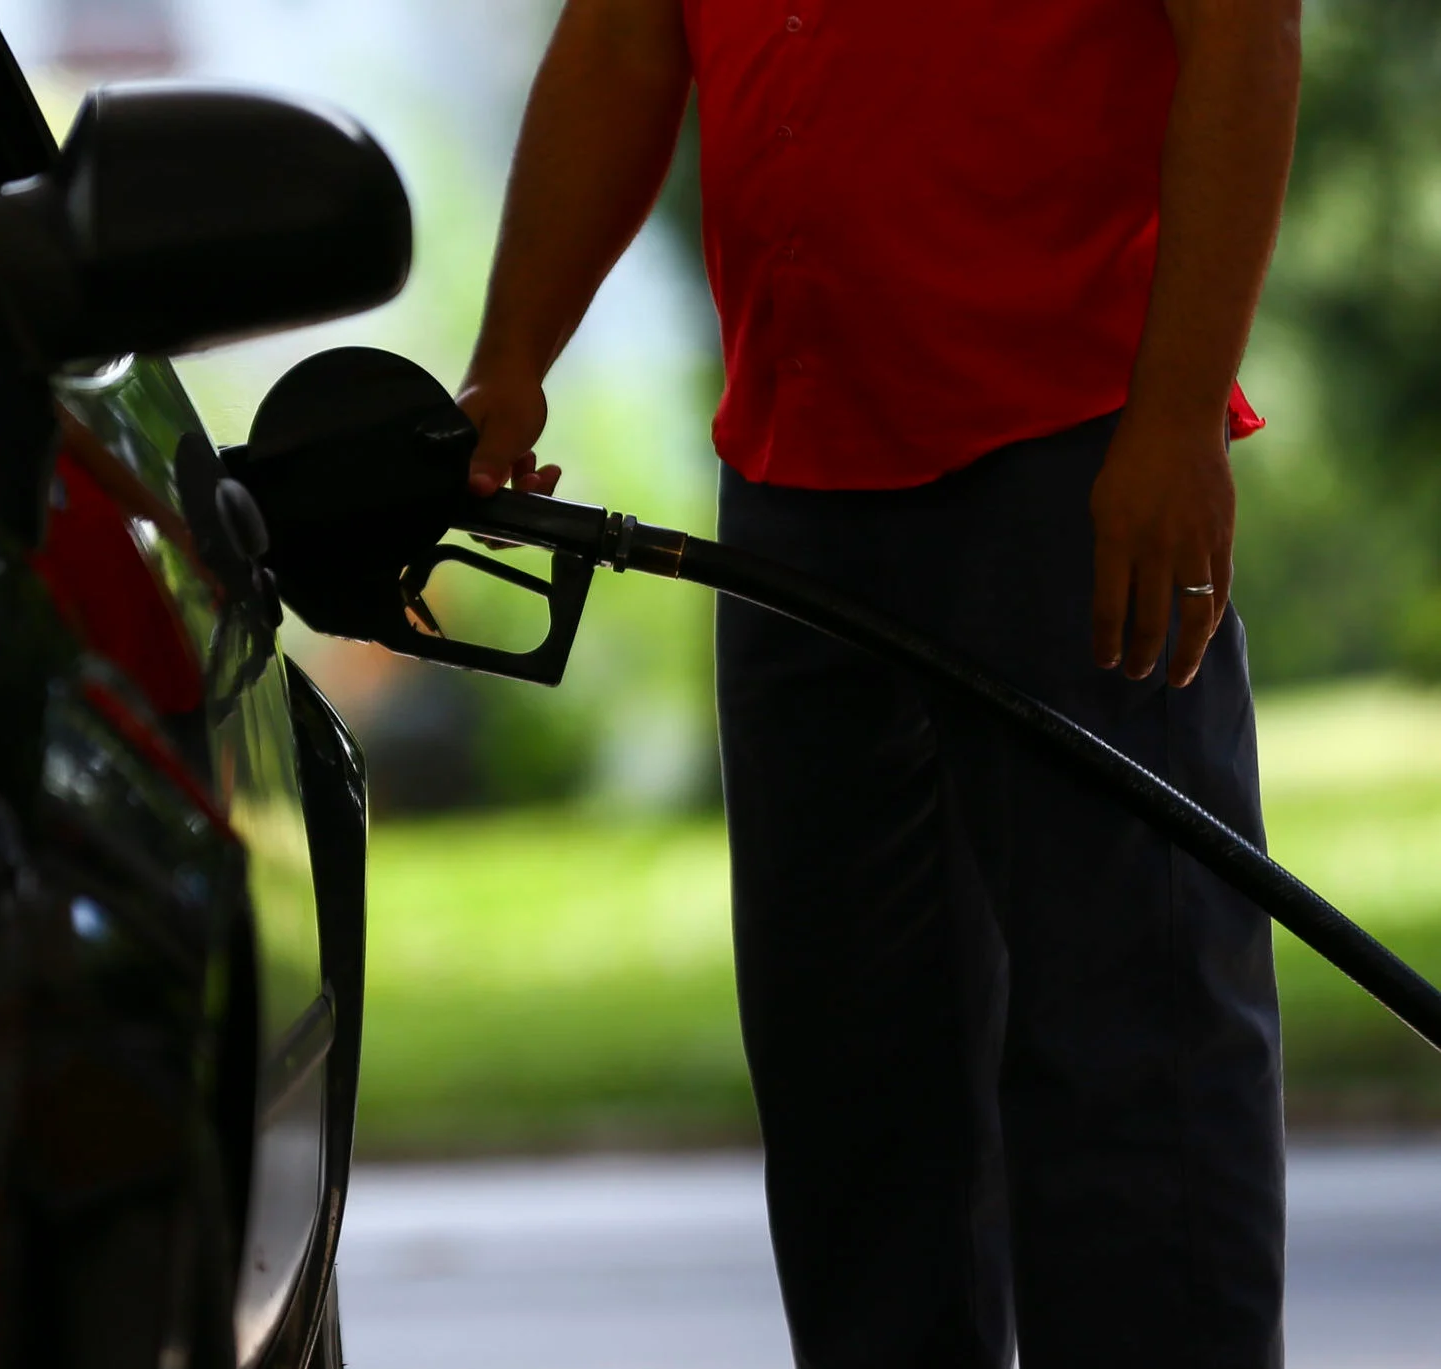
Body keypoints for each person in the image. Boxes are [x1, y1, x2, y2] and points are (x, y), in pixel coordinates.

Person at [458, 2, 1299, 1365]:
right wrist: (507, 367)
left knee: (1132, 1070)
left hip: (1071, 457)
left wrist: (1177, 419)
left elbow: (1241, 32)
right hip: (797, 481)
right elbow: (623, 37)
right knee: (849, 1090)